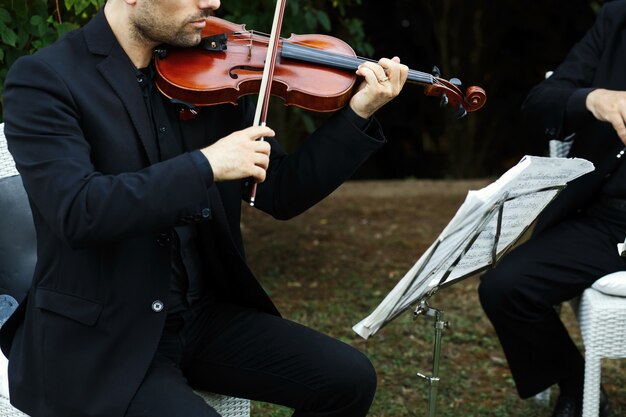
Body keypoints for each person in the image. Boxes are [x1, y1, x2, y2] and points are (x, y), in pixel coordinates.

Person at [0, 0, 409, 416]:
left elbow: (281, 192)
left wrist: (358, 113)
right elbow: (77, 211)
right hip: (104, 338)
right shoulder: (46, 79)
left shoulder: (210, 70)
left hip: (201, 317)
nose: (212, 2)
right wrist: (206, 165)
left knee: (348, 379)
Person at [478, 2, 626, 417]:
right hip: (607, 219)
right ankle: (579, 387)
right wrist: (593, 99)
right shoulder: (617, 19)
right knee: (505, 289)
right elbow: (541, 103)